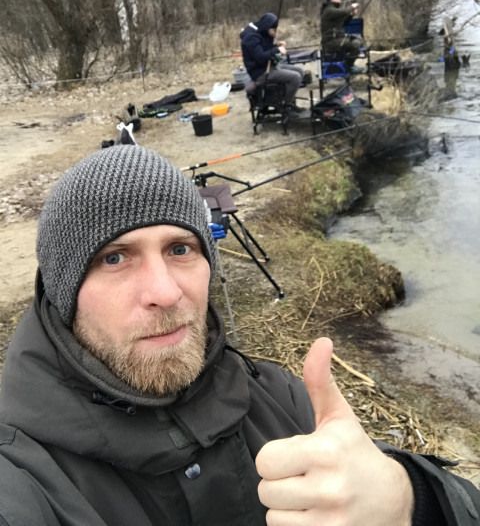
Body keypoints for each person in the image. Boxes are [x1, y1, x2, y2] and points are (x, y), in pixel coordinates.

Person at [0, 144, 479, 526]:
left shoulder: (281, 400)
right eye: (114, 258)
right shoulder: (23, 476)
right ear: (64, 292)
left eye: (181, 248)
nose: (165, 293)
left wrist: (409, 499)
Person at [240, 12, 304, 110]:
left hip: (269, 66)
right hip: (261, 73)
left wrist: (276, 45)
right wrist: (277, 50)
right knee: (295, 77)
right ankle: (287, 107)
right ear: (267, 27)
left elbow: (265, 48)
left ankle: (285, 99)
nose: (274, 32)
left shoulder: (260, 33)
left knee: (299, 71)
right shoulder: (251, 38)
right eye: (273, 29)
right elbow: (260, 56)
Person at [320, 0, 365, 74]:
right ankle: (349, 67)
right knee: (356, 44)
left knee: (358, 41)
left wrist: (351, 15)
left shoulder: (332, 10)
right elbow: (343, 12)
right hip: (331, 42)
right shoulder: (329, 10)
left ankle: (349, 65)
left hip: (337, 40)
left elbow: (343, 22)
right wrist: (351, 7)